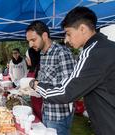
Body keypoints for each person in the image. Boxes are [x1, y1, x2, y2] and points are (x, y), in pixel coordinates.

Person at [30, 6, 115, 135]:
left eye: (69, 33)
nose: (67, 39)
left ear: (82, 29)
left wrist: (35, 85)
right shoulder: (106, 48)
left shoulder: (92, 52)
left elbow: (67, 91)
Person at [26, 20, 76, 135]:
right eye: (29, 41)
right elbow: (44, 81)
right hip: (46, 110)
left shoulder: (62, 53)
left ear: (44, 35)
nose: (30, 44)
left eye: (33, 40)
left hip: (59, 115)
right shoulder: (43, 54)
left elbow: (69, 89)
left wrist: (35, 84)